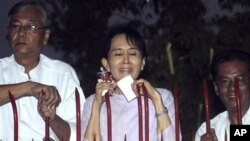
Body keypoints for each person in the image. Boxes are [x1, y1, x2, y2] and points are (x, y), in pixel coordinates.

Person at [0, 1, 85, 140]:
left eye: (31, 26)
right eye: (15, 26)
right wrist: (29, 87)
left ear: (45, 36)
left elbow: (80, 134)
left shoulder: (63, 74)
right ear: (9, 33)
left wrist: (52, 119)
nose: (21, 33)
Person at [81, 25, 181, 141]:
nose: (126, 60)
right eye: (118, 54)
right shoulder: (92, 102)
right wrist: (97, 105)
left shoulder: (162, 96)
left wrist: (156, 100)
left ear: (143, 62)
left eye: (133, 53)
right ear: (106, 63)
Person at [195, 49, 250, 141]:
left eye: (240, 80)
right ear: (216, 88)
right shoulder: (207, 130)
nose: (232, 87)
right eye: (225, 81)